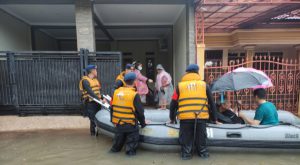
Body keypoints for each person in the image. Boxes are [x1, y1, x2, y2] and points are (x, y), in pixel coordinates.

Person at [169, 64, 218, 160]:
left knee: (185, 148)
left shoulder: (179, 86)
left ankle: (186, 154)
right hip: (201, 118)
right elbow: (212, 103)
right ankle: (203, 154)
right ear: (197, 72)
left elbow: (173, 104)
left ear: (187, 73)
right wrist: (215, 119)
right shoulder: (204, 85)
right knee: (202, 147)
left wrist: (172, 118)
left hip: (185, 119)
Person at [110, 72, 146, 156]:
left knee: (115, 149)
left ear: (125, 82)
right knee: (130, 152)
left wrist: (113, 121)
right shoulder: (134, 95)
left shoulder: (116, 92)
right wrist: (143, 124)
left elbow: (112, 108)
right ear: (134, 82)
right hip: (131, 127)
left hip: (118, 125)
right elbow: (140, 112)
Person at [79, 65, 106, 136]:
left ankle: (96, 134)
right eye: (95, 70)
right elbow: (91, 92)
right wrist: (100, 99)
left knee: (97, 118)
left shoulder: (95, 80)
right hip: (90, 103)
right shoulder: (85, 81)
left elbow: (98, 92)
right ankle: (93, 135)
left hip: (97, 102)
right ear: (92, 71)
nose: (96, 71)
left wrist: (103, 98)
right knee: (93, 119)